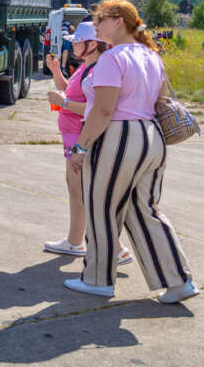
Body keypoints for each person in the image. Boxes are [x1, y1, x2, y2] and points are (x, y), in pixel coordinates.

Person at [64, 0, 197, 303]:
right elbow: (159, 100)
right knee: (144, 210)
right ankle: (178, 281)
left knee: (102, 208)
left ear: (119, 21)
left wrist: (81, 146)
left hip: (119, 138)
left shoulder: (112, 58)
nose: (96, 26)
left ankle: (98, 279)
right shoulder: (151, 55)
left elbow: (104, 110)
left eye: (100, 19)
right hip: (152, 138)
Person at [43, 22, 130, 264]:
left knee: (83, 191)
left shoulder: (97, 70)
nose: (73, 46)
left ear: (92, 44)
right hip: (73, 135)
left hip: (80, 136)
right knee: (77, 189)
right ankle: (74, 240)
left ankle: (116, 249)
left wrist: (64, 103)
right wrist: (56, 72)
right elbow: (69, 92)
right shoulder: (86, 67)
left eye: (77, 42)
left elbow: (97, 109)